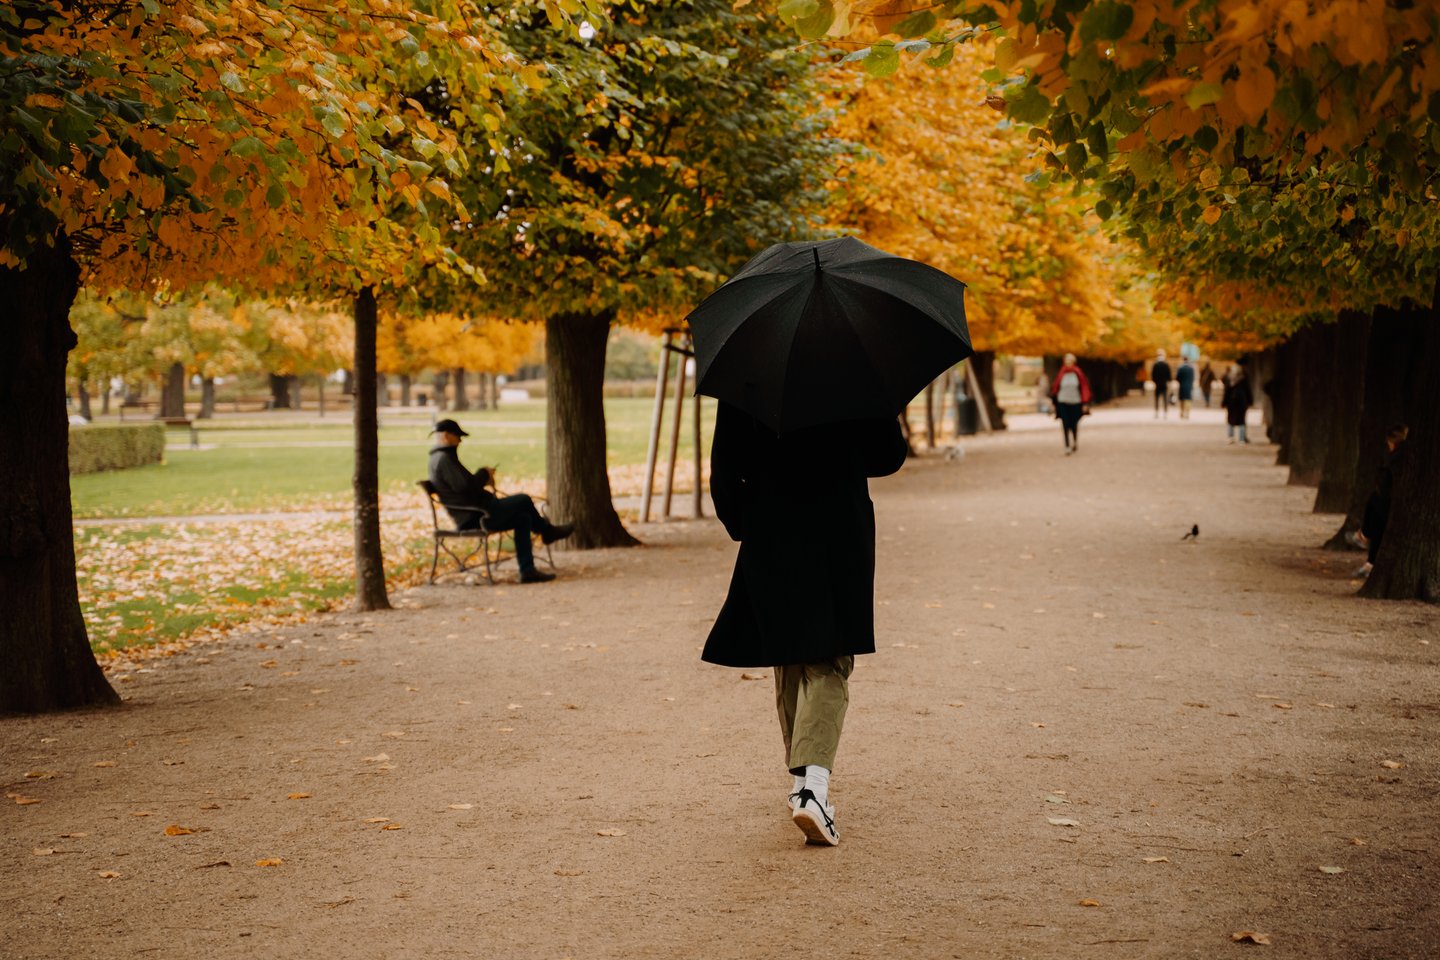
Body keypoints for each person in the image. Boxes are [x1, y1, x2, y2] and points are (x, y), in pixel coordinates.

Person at [703, 401, 907, 847]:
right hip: (840, 525)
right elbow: (887, 457)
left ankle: (802, 785)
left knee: (790, 651)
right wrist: (886, 409)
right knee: (830, 654)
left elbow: (723, 470)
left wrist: (745, 523)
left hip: (771, 525)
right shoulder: (853, 371)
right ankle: (813, 786)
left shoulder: (752, 370)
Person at [427, 418, 574, 583]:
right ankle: (547, 532)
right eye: (458, 436)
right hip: (476, 517)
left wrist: (484, 477)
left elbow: (464, 486)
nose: (460, 441)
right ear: (446, 435)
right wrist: (484, 474)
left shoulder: (442, 458)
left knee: (523, 519)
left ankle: (528, 571)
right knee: (523, 499)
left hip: (477, 512)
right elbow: (465, 486)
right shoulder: (444, 459)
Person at [1356, 424, 1409, 578]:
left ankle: (1364, 537)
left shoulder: (1398, 456)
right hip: (1388, 500)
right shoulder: (1399, 455)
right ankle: (1367, 552)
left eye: (1389, 443)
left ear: (1394, 440)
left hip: (1391, 501)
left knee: (1377, 518)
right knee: (1377, 519)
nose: (1388, 446)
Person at [1048, 353, 1091, 455]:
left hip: (1075, 401)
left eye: (1070, 361)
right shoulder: (1061, 373)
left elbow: (1084, 388)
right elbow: (1055, 388)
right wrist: (1054, 402)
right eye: (1067, 361)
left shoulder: (1078, 373)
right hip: (1063, 401)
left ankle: (1075, 441)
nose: (1068, 363)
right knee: (1065, 423)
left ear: (1074, 362)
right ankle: (1067, 445)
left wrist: (1085, 403)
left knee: (1074, 423)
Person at [1221, 364, 1252, 444]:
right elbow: (1248, 390)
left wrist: (1224, 402)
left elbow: (1226, 392)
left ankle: (1230, 437)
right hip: (1242, 401)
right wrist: (1250, 401)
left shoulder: (1229, 379)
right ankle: (1241, 438)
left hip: (1231, 402)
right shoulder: (1244, 378)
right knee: (1242, 420)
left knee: (1230, 419)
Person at [1150, 350, 1173, 419]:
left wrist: (1155, 381)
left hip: (1157, 384)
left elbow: (1153, 375)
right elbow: (1169, 375)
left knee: (1157, 398)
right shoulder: (1166, 364)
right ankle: (1165, 412)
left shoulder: (1155, 365)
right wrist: (1168, 381)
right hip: (1164, 384)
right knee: (1165, 398)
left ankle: (1157, 412)